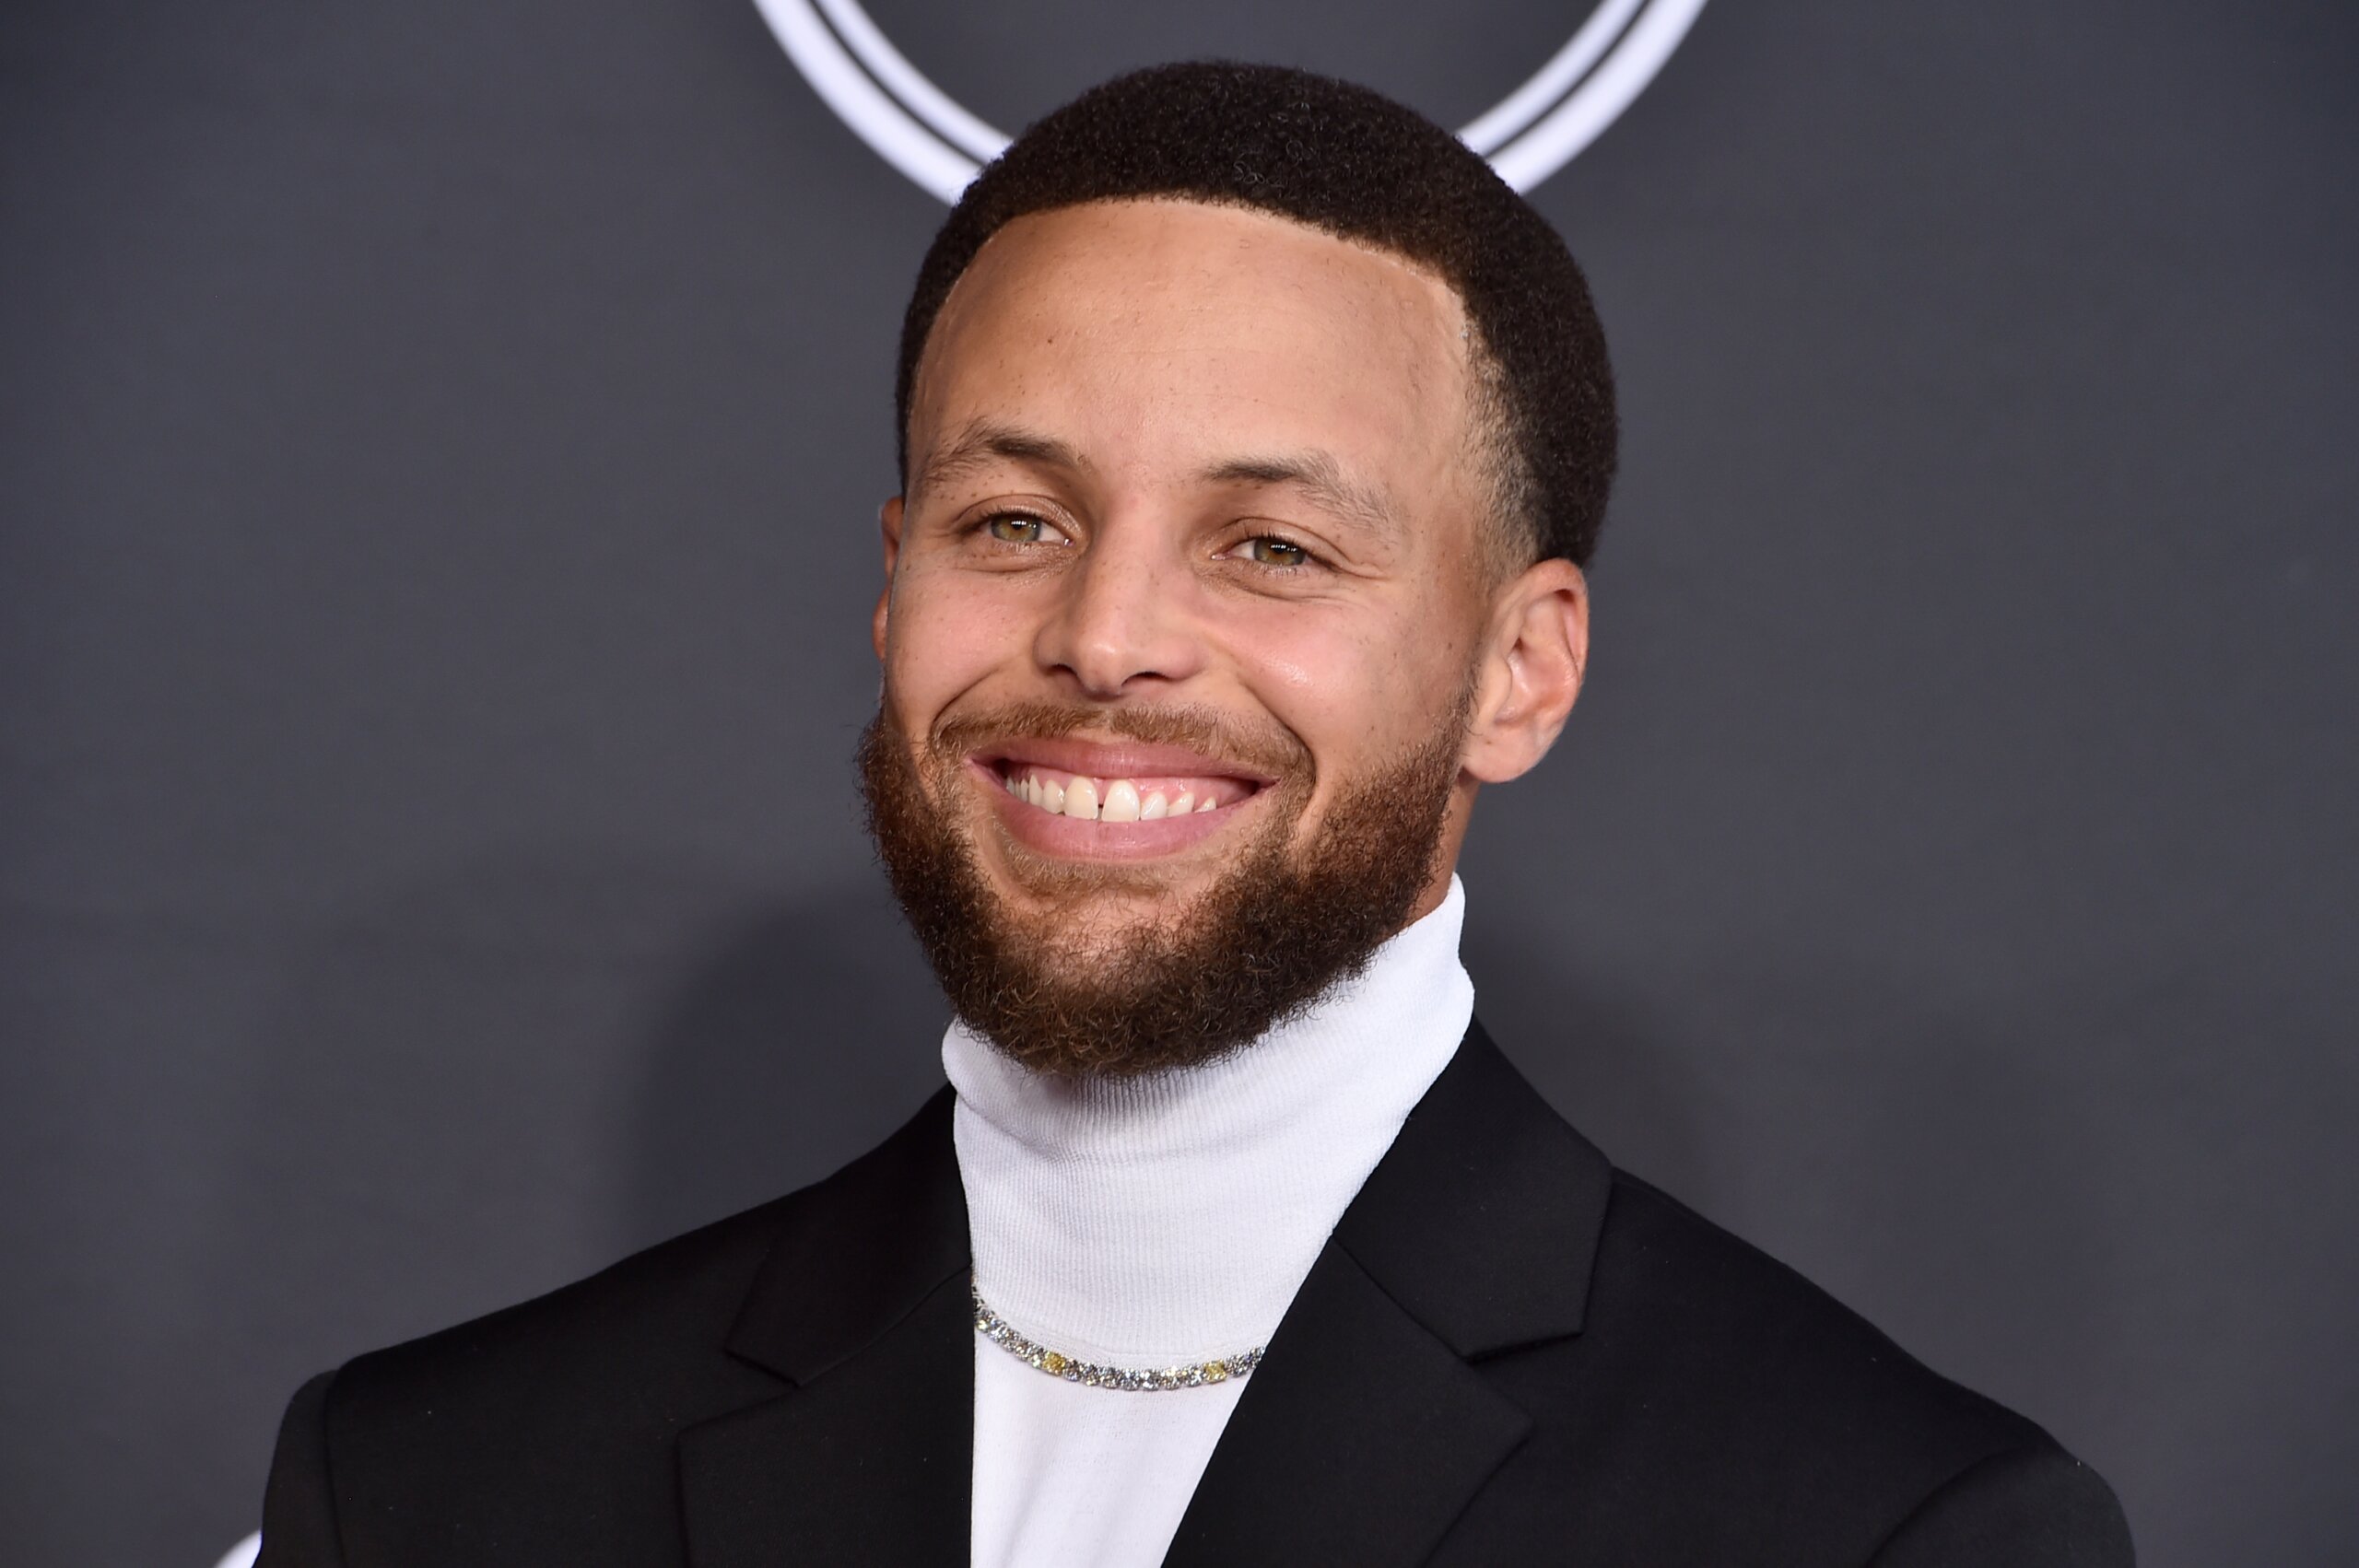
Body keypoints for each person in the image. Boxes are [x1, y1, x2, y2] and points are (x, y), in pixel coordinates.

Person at [255, 62, 2133, 1567]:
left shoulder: (1878, 1525)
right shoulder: (431, 1486)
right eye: (1014, 521)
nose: (1105, 637)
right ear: (893, 586)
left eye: (1271, 546)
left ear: (1519, 669)